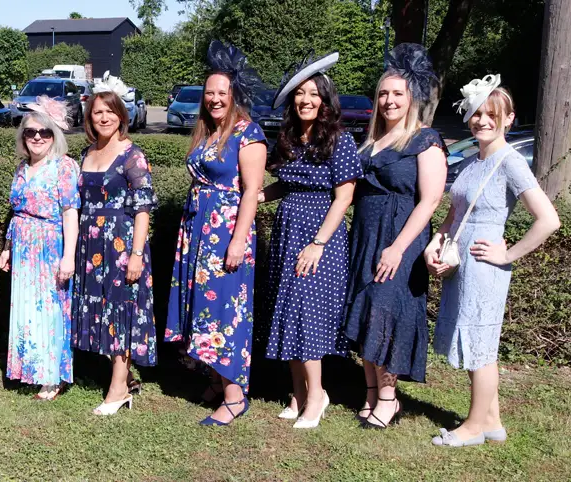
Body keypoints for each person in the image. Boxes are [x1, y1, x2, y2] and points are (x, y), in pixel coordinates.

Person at [426, 76, 560, 446]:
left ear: (509, 119)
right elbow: (453, 215)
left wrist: (507, 254)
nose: (482, 121)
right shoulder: (473, 162)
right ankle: (492, 422)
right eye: (476, 114)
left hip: (486, 268)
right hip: (461, 264)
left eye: (491, 115)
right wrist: (437, 243)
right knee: (474, 342)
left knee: (481, 347)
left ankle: (471, 427)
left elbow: (548, 219)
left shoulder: (509, 162)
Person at [342, 43, 447, 428]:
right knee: (367, 311)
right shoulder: (371, 142)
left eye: (397, 94)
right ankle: (371, 394)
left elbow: (431, 199)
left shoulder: (425, 139)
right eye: (383, 93)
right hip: (366, 238)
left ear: (412, 98)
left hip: (399, 239)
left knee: (386, 313)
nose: (388, 100)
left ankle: (389, 397)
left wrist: (398, 248)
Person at [164, 41, 267, 426]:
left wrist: (239, 239)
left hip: (226, 233)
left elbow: (252, 192)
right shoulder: (208, 132)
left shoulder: (247, 133)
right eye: (209, 93)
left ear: (234, 95)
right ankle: (214, 379)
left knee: (225, 311)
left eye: (222, 93)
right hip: (197, 231)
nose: (214, 99)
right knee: (202, 308)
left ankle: (235, 395)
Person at [260, 52, 362, 429]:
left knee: (307, 314)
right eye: (300, 94)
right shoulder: (288, 138)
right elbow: (285, 184)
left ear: (325, 100)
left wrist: (318, 243)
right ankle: (297, 394)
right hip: (289, 232)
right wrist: (254, 195)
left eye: (313, 94)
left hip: (321, 237)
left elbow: (344, 196)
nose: (305, 100)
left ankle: (317, 397)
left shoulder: (340, 140)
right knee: (286, 310)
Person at [71, 76, 157, 415]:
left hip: (121, 245)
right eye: (97, 113)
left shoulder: (132, 155)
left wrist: (136, 254)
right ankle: (123, 374)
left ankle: (118, 389)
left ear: (122, 114)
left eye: (110, 112)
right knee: (102, 309)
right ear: (89, 118)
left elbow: (143, 208)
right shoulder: (85, 152)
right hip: (89, 244)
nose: (103, 118)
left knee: (121, 312)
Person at [0, 96, 80, 401]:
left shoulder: (64, 167)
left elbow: (70, 213)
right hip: (22, 247)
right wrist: (7, 247)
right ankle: (30, 369)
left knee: (51, 311)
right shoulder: (22, 169)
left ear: (54, 136)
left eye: (44, 133)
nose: (36, 137)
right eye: (30, 132)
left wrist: (68, 256)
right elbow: (17, 211)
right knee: (26, 309)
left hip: (50, 246)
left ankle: (52, 376)